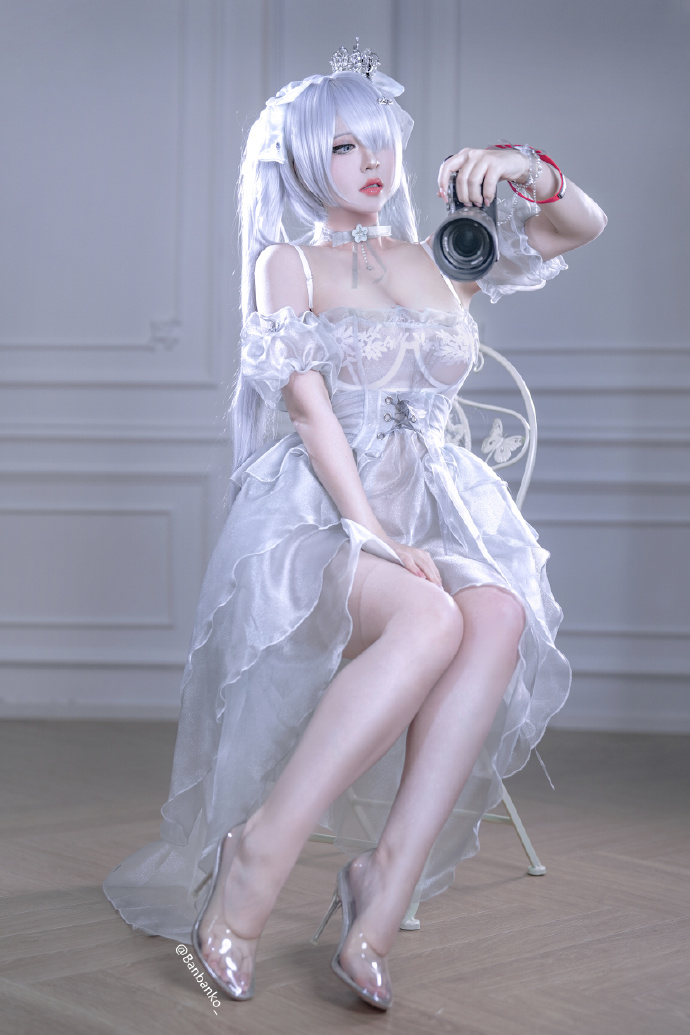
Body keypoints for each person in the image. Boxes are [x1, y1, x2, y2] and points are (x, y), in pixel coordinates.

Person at [103, 40, 606, 1011]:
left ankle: (382, 889)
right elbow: (308, 411)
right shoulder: (285, 263)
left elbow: (580, 225)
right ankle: (256, 860)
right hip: (319, 513)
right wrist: (368, 528)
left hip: (434, 502)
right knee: (430, 617)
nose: (372, 162)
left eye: (380, 142)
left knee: (497, 613)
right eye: (344, 147)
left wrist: (522, 165)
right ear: (301, 158)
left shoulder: (443, 253)